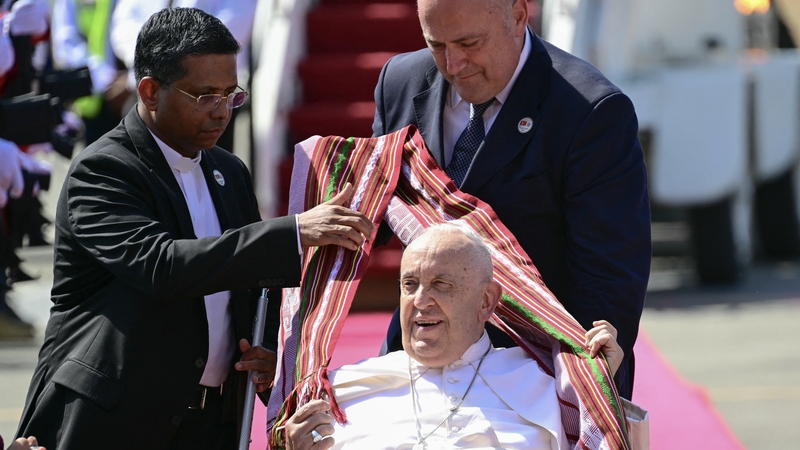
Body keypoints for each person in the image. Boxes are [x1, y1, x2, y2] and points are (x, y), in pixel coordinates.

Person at [15, 7, 373, 450]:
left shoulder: (229, 170)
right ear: (149, 91)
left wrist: (261, 351)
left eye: (231, 94)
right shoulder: (104, 169)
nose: (222, 112)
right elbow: (163, 266)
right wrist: (293, 232)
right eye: (204, 95)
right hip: (112, 421)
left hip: (209, 424)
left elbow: (245, 280)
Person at [372, 0, 651, 399]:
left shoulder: (590, 111)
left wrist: (582, 377)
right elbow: (375, 211)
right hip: (419, 363)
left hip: (534, 376)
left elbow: (610, 272)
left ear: (519, 15)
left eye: (470, 42)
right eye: (437, 44)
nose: (453, 64)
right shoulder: (401, 81)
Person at [283, 224, 627, 449]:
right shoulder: (342, 391)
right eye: (410, 285)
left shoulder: (548, 388)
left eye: (441, 285)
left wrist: (597, 386)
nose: (420, 301)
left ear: (486, 300)